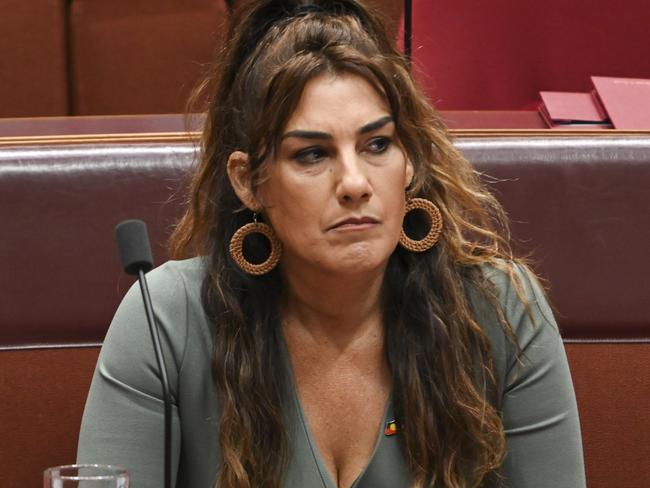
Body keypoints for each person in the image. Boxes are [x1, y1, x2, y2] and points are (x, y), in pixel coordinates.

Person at [77, 1, 586, 487]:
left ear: (410, 160)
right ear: (249, 181)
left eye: (378, 145)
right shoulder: (166, 320)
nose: (354, 182)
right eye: (313, 154)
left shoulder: (499, 311)